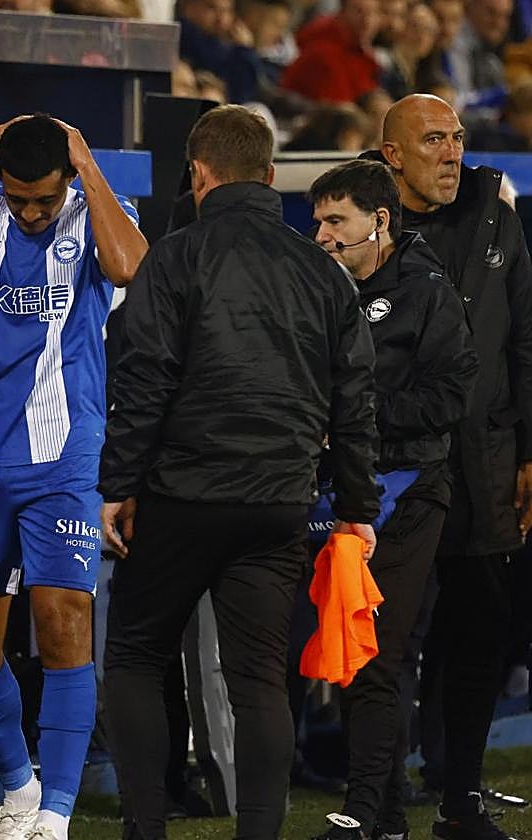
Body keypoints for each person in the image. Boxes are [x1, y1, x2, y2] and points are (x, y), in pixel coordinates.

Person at [99, 104, 380, 840]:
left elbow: (144, 380)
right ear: (269, 174)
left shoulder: (174, 258)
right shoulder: (321, 271)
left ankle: (144, 829)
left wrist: (118, 486)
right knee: (258, 679)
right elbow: (355, 399)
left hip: (181, 496)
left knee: (134, 657)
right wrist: (358, 505)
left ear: (199, 174)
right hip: (279, 503)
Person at [0, 113, 149, 840]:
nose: (33, 213)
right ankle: (19, 787)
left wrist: (88, 166)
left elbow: (131, 269)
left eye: (44, 199)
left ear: (67, 178)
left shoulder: (96, 210)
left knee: (63, 621)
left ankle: (55, 815)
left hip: (65, 452)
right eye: (20, 199)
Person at [373, 93, 532, 840]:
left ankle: (460, 800)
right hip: (398, 463)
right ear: (393, 155)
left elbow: (525, 336)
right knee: (386, 640)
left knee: (480, 629)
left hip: (484, 458)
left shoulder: (496, 213)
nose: (453, 152)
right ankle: (378, 803)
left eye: (459, 137)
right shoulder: (364, 220)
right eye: (434, 139)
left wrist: (529, 449)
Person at [307, 159, 478, 840]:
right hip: (337, 491)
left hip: (409, 492)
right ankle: (385, 817)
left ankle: (362, 810)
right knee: (356, 653)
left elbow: (450, 398)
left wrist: (355, 419)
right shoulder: (321, 289)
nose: (322, 235)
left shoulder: (428, 294)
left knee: (376, 652)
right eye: (318, 221)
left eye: (335, 221)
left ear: (379, 221)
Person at [280, 0, 383, 104]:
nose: (367, 21)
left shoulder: (362, 52)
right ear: (341, 13)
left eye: (373, 13)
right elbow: (338, 106)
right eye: (359, 12)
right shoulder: (323, 47)